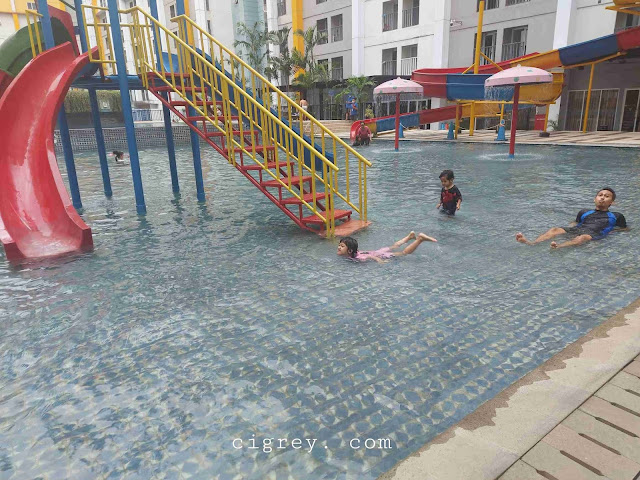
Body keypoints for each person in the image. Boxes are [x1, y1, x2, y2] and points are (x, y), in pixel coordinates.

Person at [515, 187, 627, 249]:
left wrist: (611, 232)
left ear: (611, 202)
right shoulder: (584, 212)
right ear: (594, 199)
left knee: (582, 237)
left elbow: (624, 229)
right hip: (578, 229)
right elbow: (575, 223)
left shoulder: (616, 216)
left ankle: (559, 247)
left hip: (594, 233)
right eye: (600, 195)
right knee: (555, 229)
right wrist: (566, 232)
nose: (602, 198)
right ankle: (532, 243)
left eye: (606, 196)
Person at [337, 231, 437, 263]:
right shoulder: (354, 252)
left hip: (381, 255)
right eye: (339, 245)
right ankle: (409, 236)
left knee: (404, 253)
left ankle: (419, 239)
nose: (338, 247)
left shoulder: (357, 257)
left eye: (342, 246)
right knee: (394, 246)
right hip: (377, 251)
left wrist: (379, 260)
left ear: (349, 250)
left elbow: (368, 257)